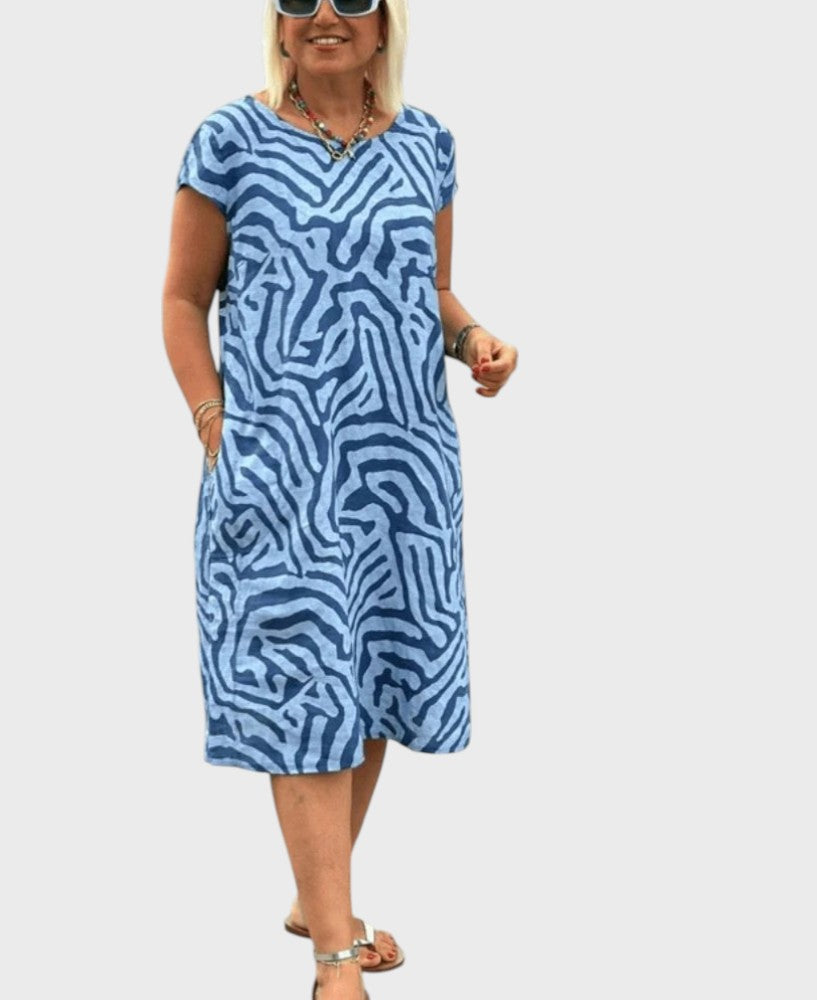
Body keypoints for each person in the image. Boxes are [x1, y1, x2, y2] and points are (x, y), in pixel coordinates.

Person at [161, 1, 517, 996]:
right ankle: (334, 959)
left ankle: (315, 898)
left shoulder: (427, 144)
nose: (325, 12)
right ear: (278, 28)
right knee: (304, 689)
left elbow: (427, 288)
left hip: (401, 469)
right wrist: (212, 421)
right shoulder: (229, 140)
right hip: (282, 472)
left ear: (384, 24)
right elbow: (182, 299)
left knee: (373, 680)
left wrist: (473, 338)